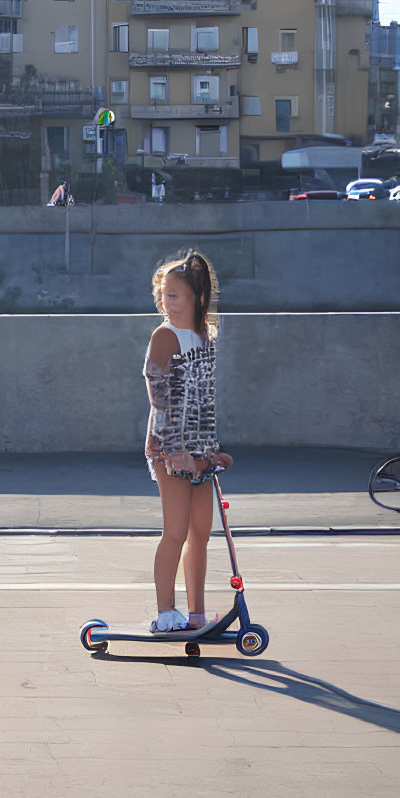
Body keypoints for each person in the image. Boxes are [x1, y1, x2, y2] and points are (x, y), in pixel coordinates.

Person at [143, 250, 232, 633]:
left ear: (197, 298)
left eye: (175, 295)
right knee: (175, 532)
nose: (167, 302)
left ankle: (197, 616)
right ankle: (166, 613)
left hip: (199, 446)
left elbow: (204, 397)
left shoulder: (204, 336)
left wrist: (211, 450)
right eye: (163, 294)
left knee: (201, 534)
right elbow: (158, 396)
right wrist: (175, 449)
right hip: (171, 445)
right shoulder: (165, 336)